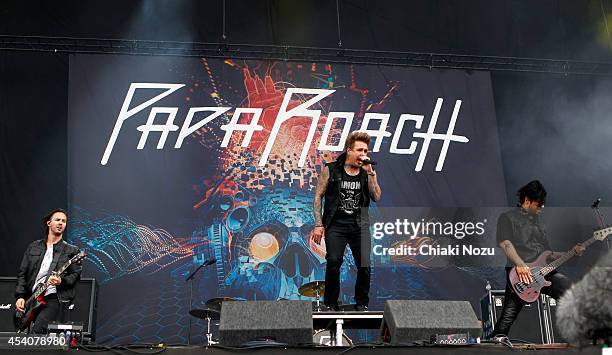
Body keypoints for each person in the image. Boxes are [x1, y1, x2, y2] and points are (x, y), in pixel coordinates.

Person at [493, 180, 584, 336]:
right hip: (521, 274)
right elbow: (505, 243)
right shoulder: (507, 218)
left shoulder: (539, 223)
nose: (542, 207)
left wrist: (570, 252)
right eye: (539, 204)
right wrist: (520, 265)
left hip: (545, 271)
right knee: (508, 316)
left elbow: (548, 253)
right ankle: (495, 343)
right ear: (527, 201)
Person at [313, 131, 382, 311]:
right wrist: (319, 225)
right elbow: (318, 196)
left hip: (359, 226)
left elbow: (376, 197)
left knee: (365, 265)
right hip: (336, 225)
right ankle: (331, 303)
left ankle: (361, 303)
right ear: (349, 150)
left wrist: (372, 176)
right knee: (334, 261)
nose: (363, 155)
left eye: (366, 151)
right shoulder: (331, 169)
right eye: (360, 150)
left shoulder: (368, 172)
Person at [15, 209, 82, 334]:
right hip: (32, 297)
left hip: (53, 298)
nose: (61, 223)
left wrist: (61, 281)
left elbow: (76, 275)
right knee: (21, 336)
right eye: (57, 220)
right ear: (49, 223)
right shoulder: (34, 247)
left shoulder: (72, 250)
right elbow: (22, 274)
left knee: (37, 331)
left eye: (64, 221)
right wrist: (20, 297)